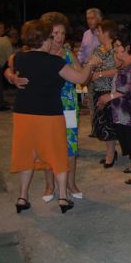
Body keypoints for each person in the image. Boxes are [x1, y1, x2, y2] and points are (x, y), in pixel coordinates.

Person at [9, 19, 98, 214]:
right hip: (49, 113)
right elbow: (81, 79)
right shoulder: (55, 62)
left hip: (23, 113)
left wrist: (12, 77)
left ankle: (22, 197)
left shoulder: (19, 58)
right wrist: (91, 64)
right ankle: (63, 198)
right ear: (45, 39)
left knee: (27, 153)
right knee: (57, 153)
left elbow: (9, 67)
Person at [39, 12, 83, 201]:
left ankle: (71, 183)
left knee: (70, 146)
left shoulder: (67, 52)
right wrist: (12, 76)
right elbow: (14, 64)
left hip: (69, 105)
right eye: (55, 33)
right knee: (48, 146)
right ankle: (49, 185)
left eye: (62, 33)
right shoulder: (39, 52)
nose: (59, 38)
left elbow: (82, 74)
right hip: (46, 105)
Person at [98, 29, 131, 184]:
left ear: (127, 47)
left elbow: (128, 87)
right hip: (123, 112)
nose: (115, 49)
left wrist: (109, 96)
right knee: (127, 140)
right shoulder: (125, 64)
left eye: (118, 46)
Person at [91, 19, 119, 167]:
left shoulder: (115, 50)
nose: (97, 34)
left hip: (111, 90)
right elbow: (90, 67)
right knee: (102, 123)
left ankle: (111, 153)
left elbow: (119, 69)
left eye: (99, 31)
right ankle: (110, 151)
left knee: (109, 123)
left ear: (107, 32)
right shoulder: (97, 50)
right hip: (98, 89)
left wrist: (101, 73)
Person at [77, 8, 103, 127]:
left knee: (101, 100)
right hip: (88, 71)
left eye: (92, 18)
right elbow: (82, 51)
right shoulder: (86, 34)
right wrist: (79, 64)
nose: (89, 21)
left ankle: (103, 126)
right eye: (88, 18)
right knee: (91, 101)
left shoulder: (103, 33)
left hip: (103, 71)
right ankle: (94, 127)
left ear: (99, 19)